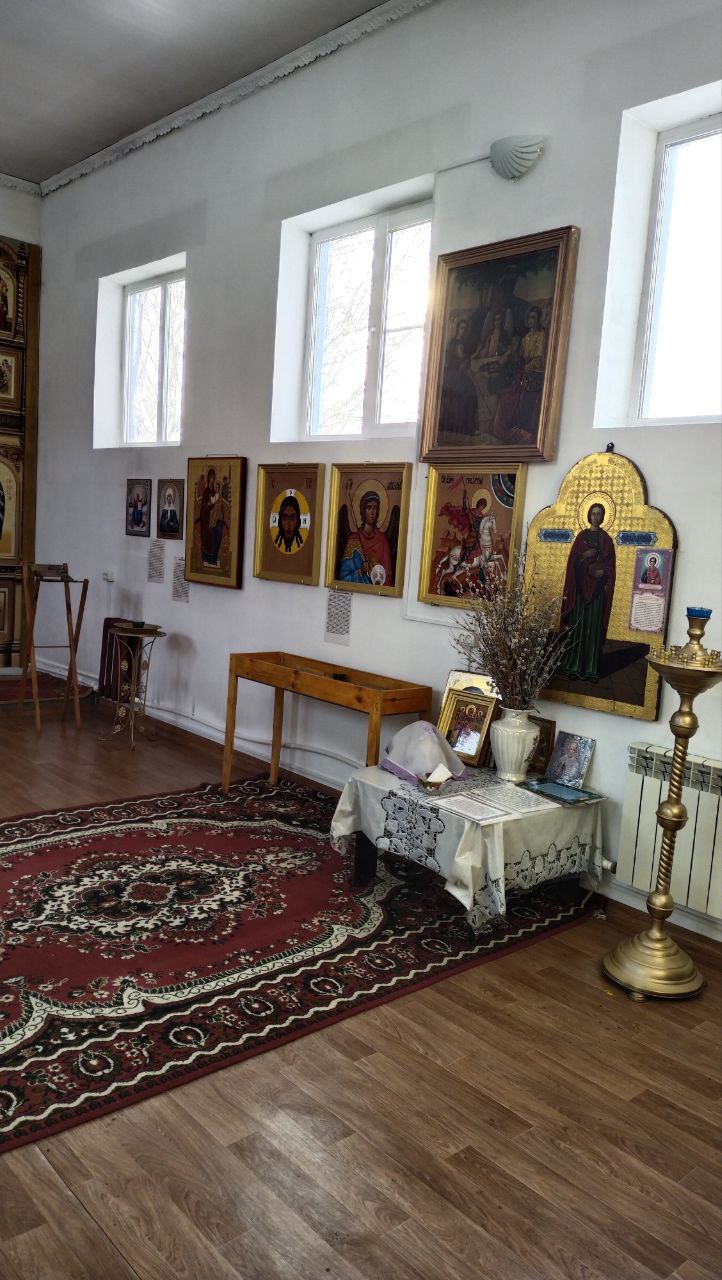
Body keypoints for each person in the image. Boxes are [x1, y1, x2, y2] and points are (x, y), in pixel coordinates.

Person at [557, 502, 616, 682]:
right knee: (578, 627)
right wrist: (584, 556)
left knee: (592, 629)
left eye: (599, 514)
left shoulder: (606, 540)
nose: (596, 517)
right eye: (593, 513)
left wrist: (603, 573)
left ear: (603, 517)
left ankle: (590, 669)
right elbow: (572, 561)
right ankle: (573, 665)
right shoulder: (581, 537)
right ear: (589, 515)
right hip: (580, 592)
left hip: (596, 593)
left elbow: (610, 567)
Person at [339, 491, 393, 585]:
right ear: (363, 511)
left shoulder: (382, 541)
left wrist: (378, 577)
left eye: (375, 508)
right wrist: (361, 571)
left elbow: (388, 578)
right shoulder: (354, 540)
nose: (372, 512)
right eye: (369, 508)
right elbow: (343, 578)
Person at [438, 317, 478, 439]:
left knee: (471, 392)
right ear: (457, 329)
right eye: (462, 328)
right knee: (469, 392)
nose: (463, 331)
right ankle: (466, 427)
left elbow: (464, 360)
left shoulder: (459, 344)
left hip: (458, 376)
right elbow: (461, 358)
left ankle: (467, 427)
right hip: (453, 377)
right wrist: (469, 359)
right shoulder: (455, 344)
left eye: (465, 329)